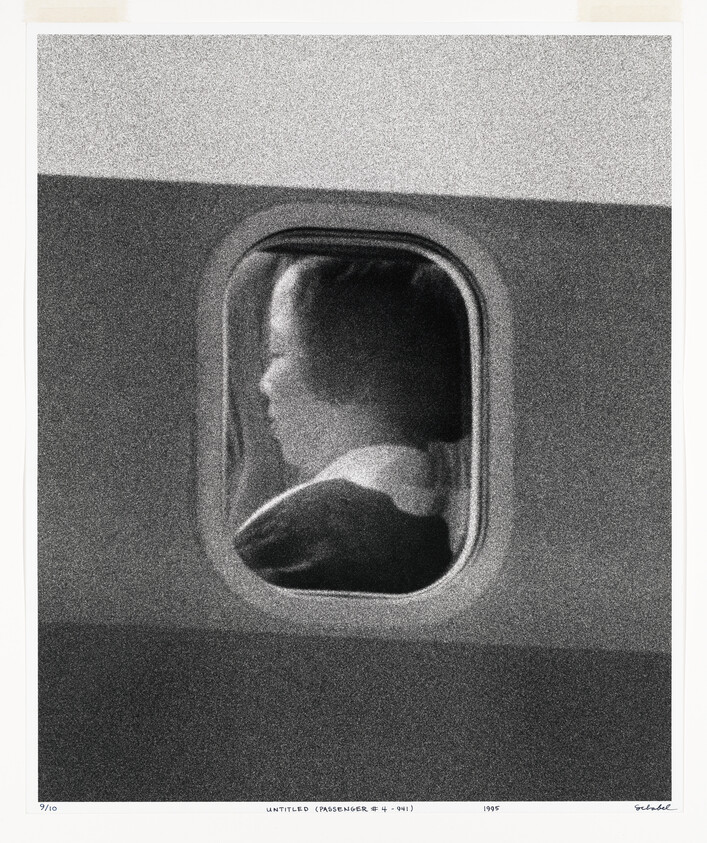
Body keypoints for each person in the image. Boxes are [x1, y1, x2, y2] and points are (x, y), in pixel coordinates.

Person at [234, 254, 470, 594]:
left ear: (350, 365)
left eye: (277, 354)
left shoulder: (314, 531)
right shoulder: (415, 510)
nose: (264, 383)